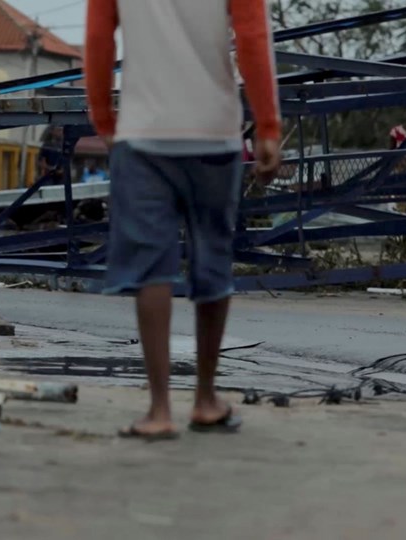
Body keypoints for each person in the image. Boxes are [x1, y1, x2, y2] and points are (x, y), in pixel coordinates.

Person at [85, 0, 281, 439]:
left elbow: (98, 40)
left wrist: (102, 115)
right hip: (214, 130)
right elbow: (253, 38)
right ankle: (206, 400)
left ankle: (158, 410)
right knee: (213, 254)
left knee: (151, 264)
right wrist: (268, 125)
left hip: (144, 132)